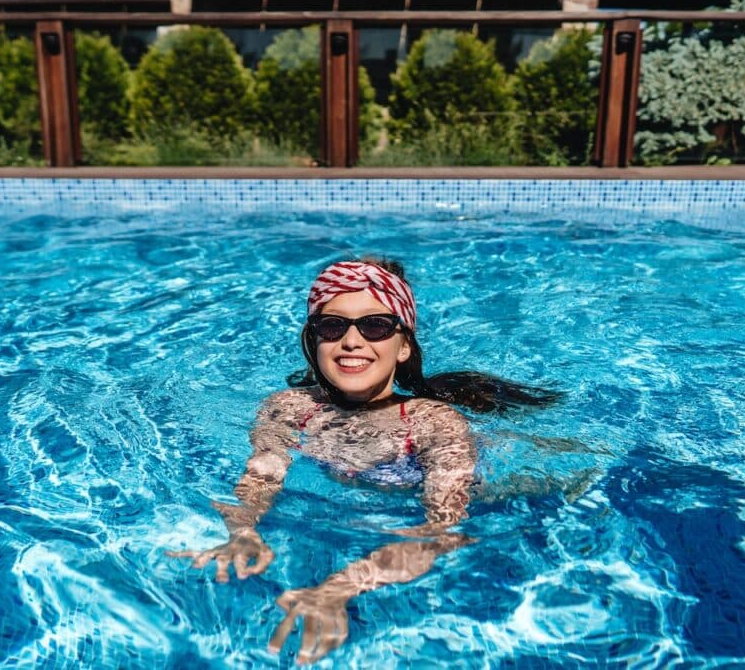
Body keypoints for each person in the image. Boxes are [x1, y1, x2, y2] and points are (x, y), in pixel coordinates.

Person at [167, 258, 559, 664]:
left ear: (404, 345)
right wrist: (242, 529)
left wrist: (339, 587)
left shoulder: (433, 424)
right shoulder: (288, 409)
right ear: (312, 341)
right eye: (332, 326)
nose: (352, 341)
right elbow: (260, 477)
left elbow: (442, 531)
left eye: (376, 326)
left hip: (498, 493)